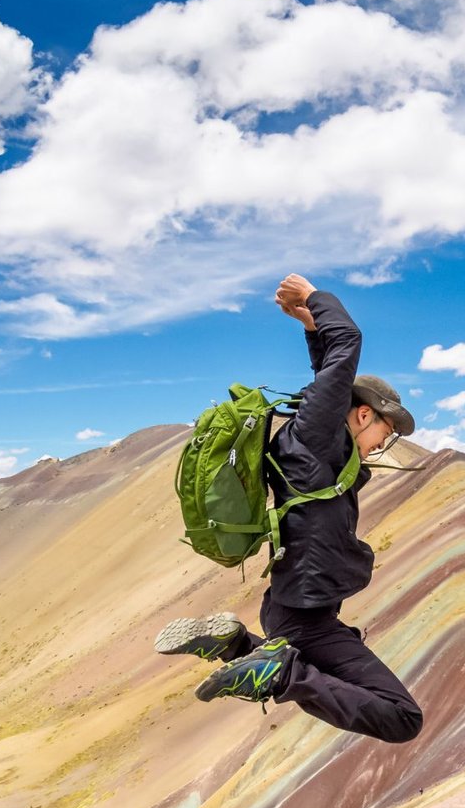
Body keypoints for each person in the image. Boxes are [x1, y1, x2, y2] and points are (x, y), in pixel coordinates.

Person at [153, 274, 423, 744]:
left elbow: (328, 374)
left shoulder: (318, 441)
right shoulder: (316, 434)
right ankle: (274, 673)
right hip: (305, 612)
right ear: (364, 415)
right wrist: (315, 298)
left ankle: (234, 645)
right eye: (387, 429)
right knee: (402, 718)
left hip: (293, 606)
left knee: (312, 664)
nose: (385, 441)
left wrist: (310, 326)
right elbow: (348, 347)